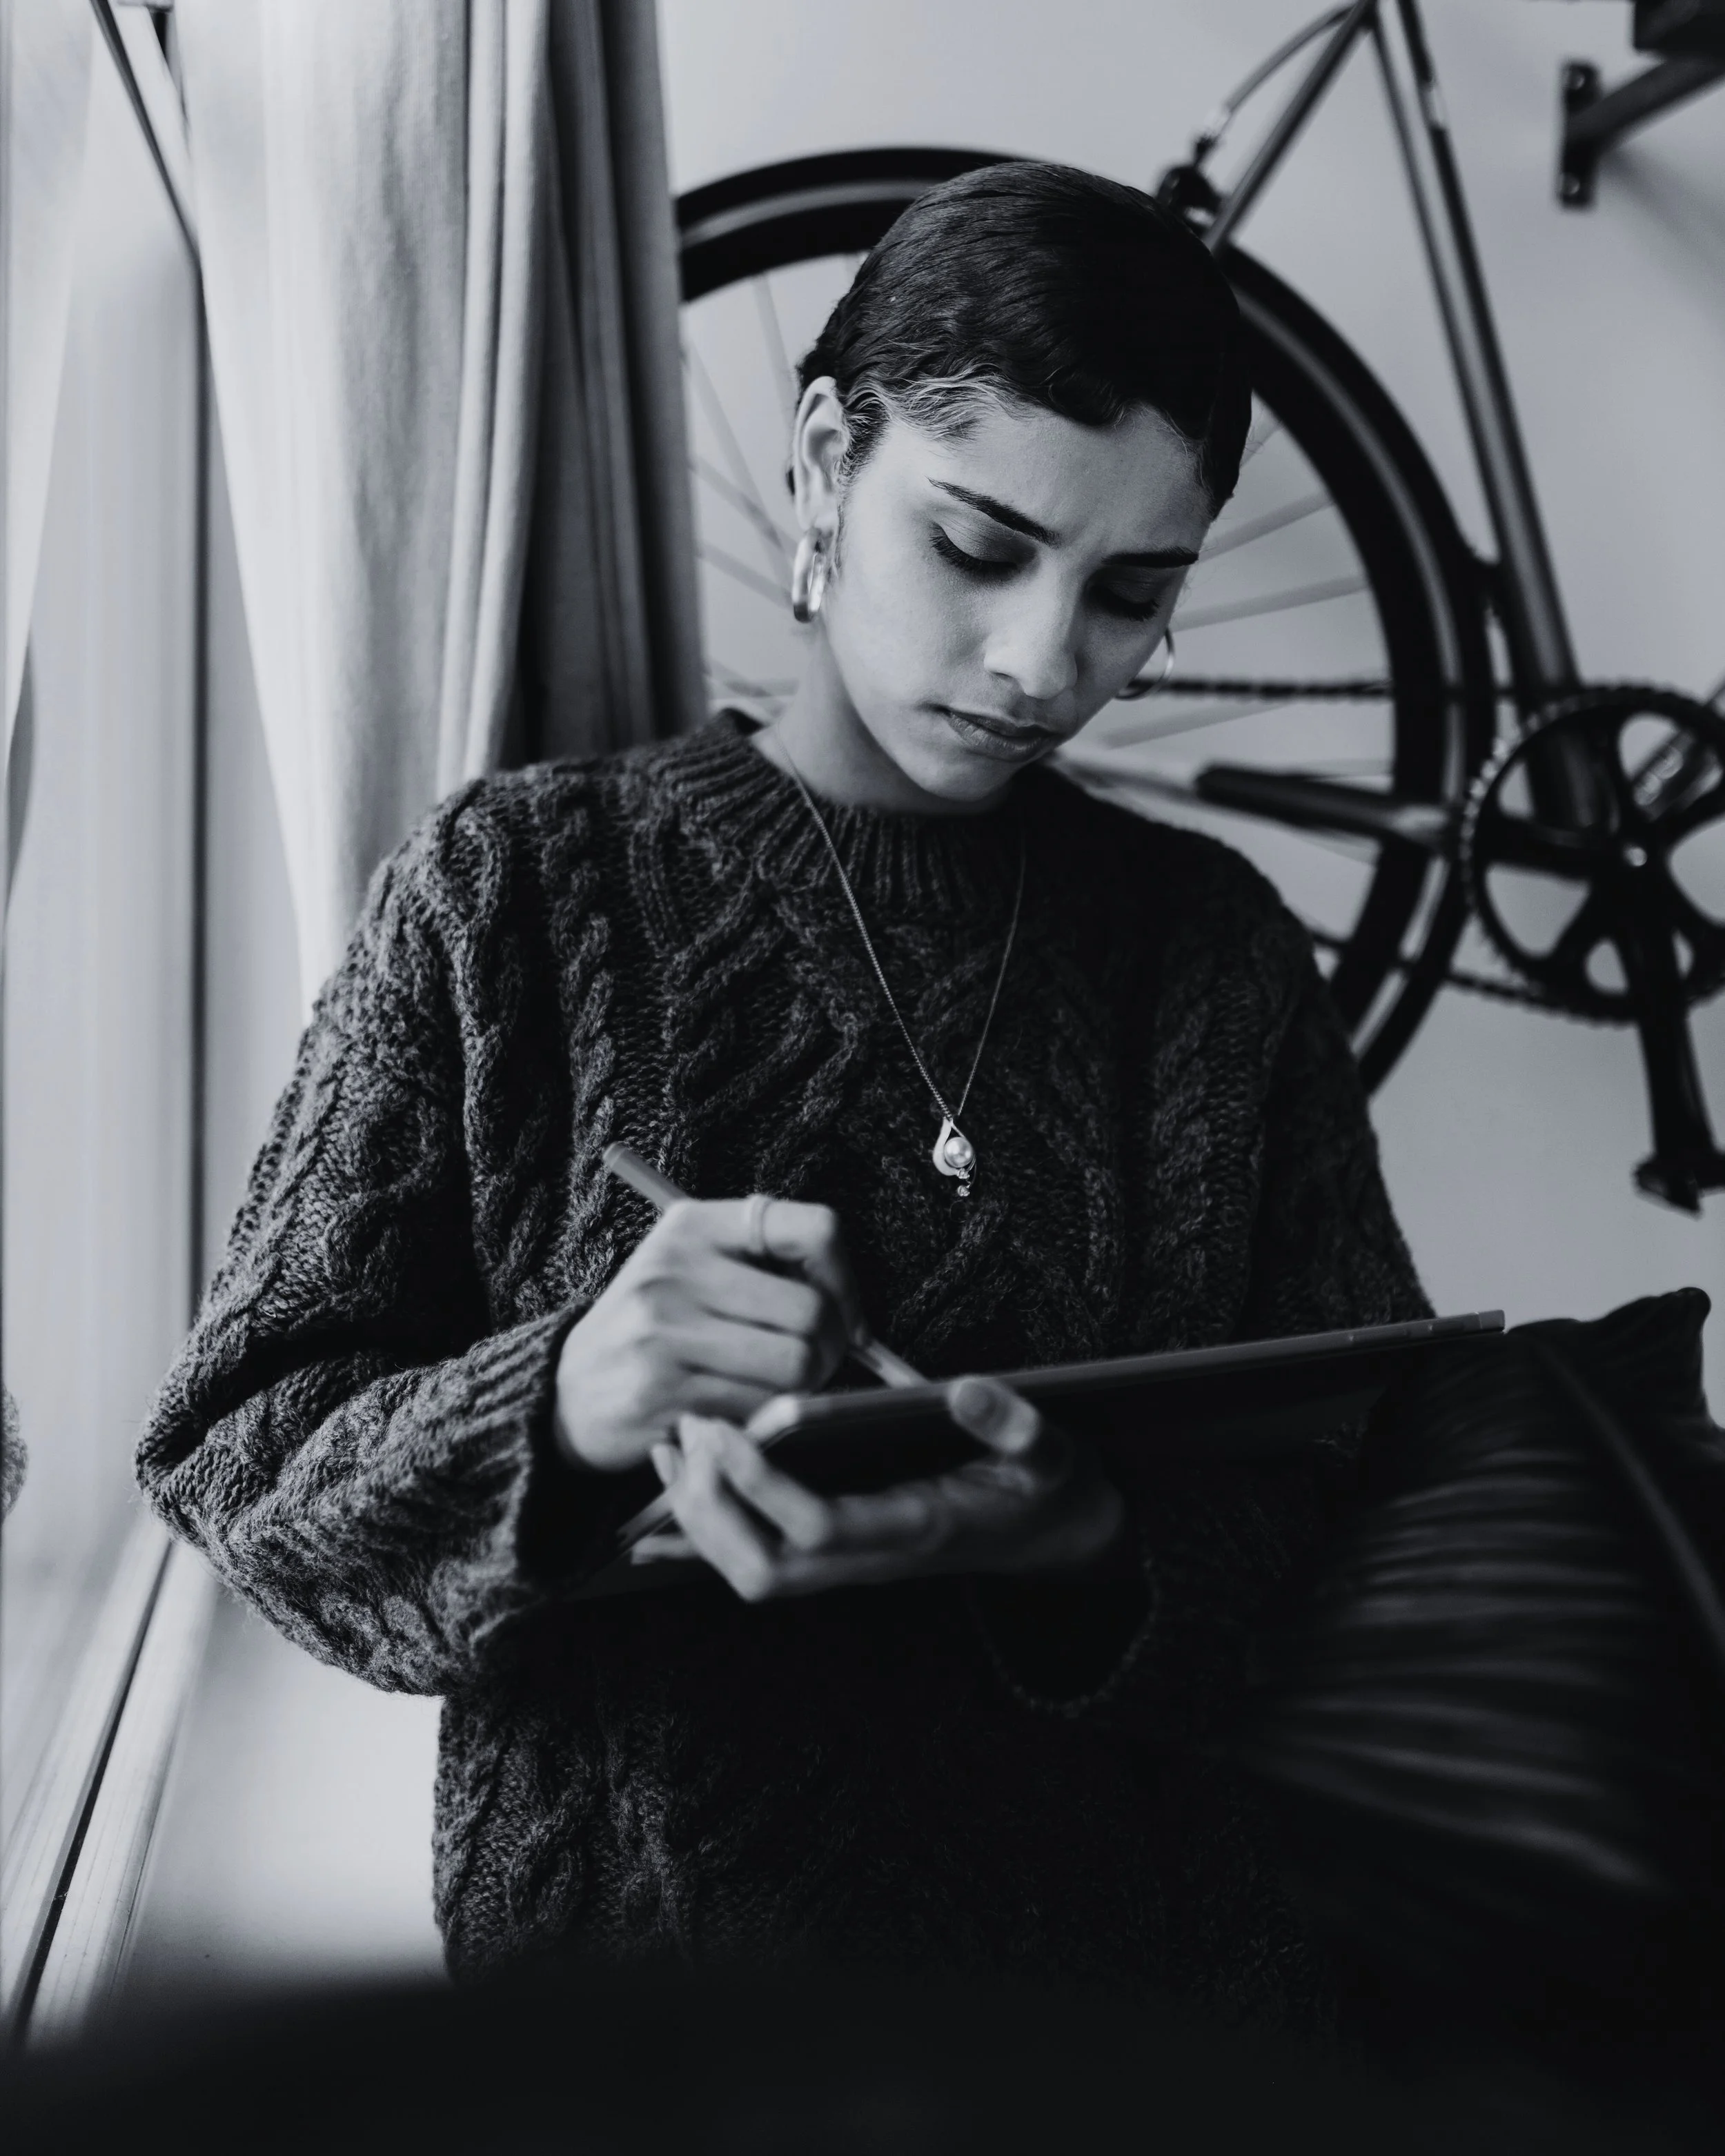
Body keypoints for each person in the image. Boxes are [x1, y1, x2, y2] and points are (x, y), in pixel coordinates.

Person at [137, 163, 1426, 2029]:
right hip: (644, 2046)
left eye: (1130, 593)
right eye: (976, 547)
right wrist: (562, 1399)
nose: (1039, 662)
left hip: (1149, 2041)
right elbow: (237, 1464)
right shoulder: (516, 890)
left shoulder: (1211, 948)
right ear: (825, 463)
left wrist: (1077, 1545)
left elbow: (1378, 1510)